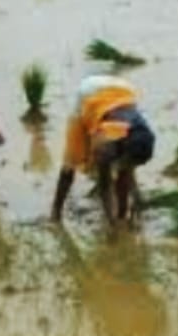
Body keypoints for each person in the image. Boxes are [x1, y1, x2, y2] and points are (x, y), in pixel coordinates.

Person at [50, 75, 155, 230]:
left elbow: (127, 168)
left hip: (124, 91)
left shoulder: (142, 135)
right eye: (130, 160)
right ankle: (55, 213)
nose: (131, 165)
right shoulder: (105, 145)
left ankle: (125, 209)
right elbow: (104, 185)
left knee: (124, 168)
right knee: (71, 160)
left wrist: (125, 212)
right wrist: (112, 223)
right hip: (90, 92)